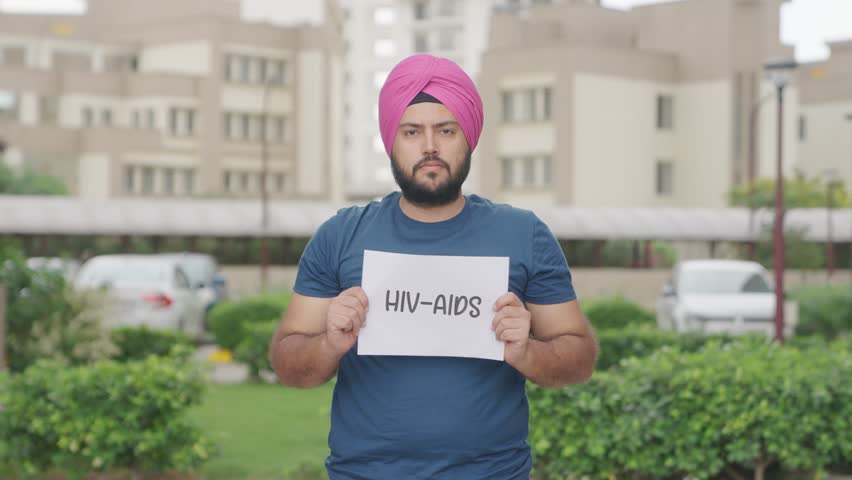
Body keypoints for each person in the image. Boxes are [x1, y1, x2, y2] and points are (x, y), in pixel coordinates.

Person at [269, 54, 597, 480]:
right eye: (412, 131)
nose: (429, 146)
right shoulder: (340, 236)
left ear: (468, 137)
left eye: (446, 130)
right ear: (391, 140)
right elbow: (289, 366)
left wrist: (527, 351)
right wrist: (329, 342)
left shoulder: (524, 235)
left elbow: (579, 359)